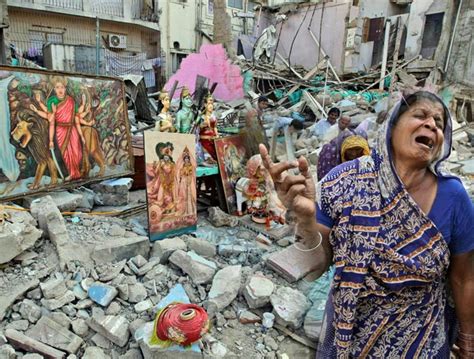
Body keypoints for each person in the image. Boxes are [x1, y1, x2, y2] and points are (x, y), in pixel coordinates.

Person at [259, 91, 474, 358]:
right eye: (420, 115)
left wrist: (468, 337)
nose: (431, 124)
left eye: (439, 123)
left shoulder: (454, 197)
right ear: (392, 127)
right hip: (351, 337)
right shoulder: (347, 180)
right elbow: (317, 264)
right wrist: (305, 221)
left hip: (421, 342)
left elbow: (464, 277)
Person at [31, 76, 86, 181]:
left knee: (76, 152)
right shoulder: (52, 101)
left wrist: (83, 104)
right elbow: (50, 120)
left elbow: (77, 115)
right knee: (66, 154)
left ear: (65, 88)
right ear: (54, 89)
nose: (60, 90)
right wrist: (51, 140)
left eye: (62, 87)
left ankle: (77, 173)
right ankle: (72, 173)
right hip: (60, 130)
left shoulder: (71, 100)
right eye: (57, 87)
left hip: (72, 129)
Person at [198, 93, 219, 161]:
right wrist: (204, 124)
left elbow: (215, 127)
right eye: (209, 104)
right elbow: (198, 127)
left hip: (213, 140)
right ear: (205, 105)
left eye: (212, 104)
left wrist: (217, 135)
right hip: (205, 141)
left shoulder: (214, 116)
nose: (211, 106)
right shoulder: (202, 117)